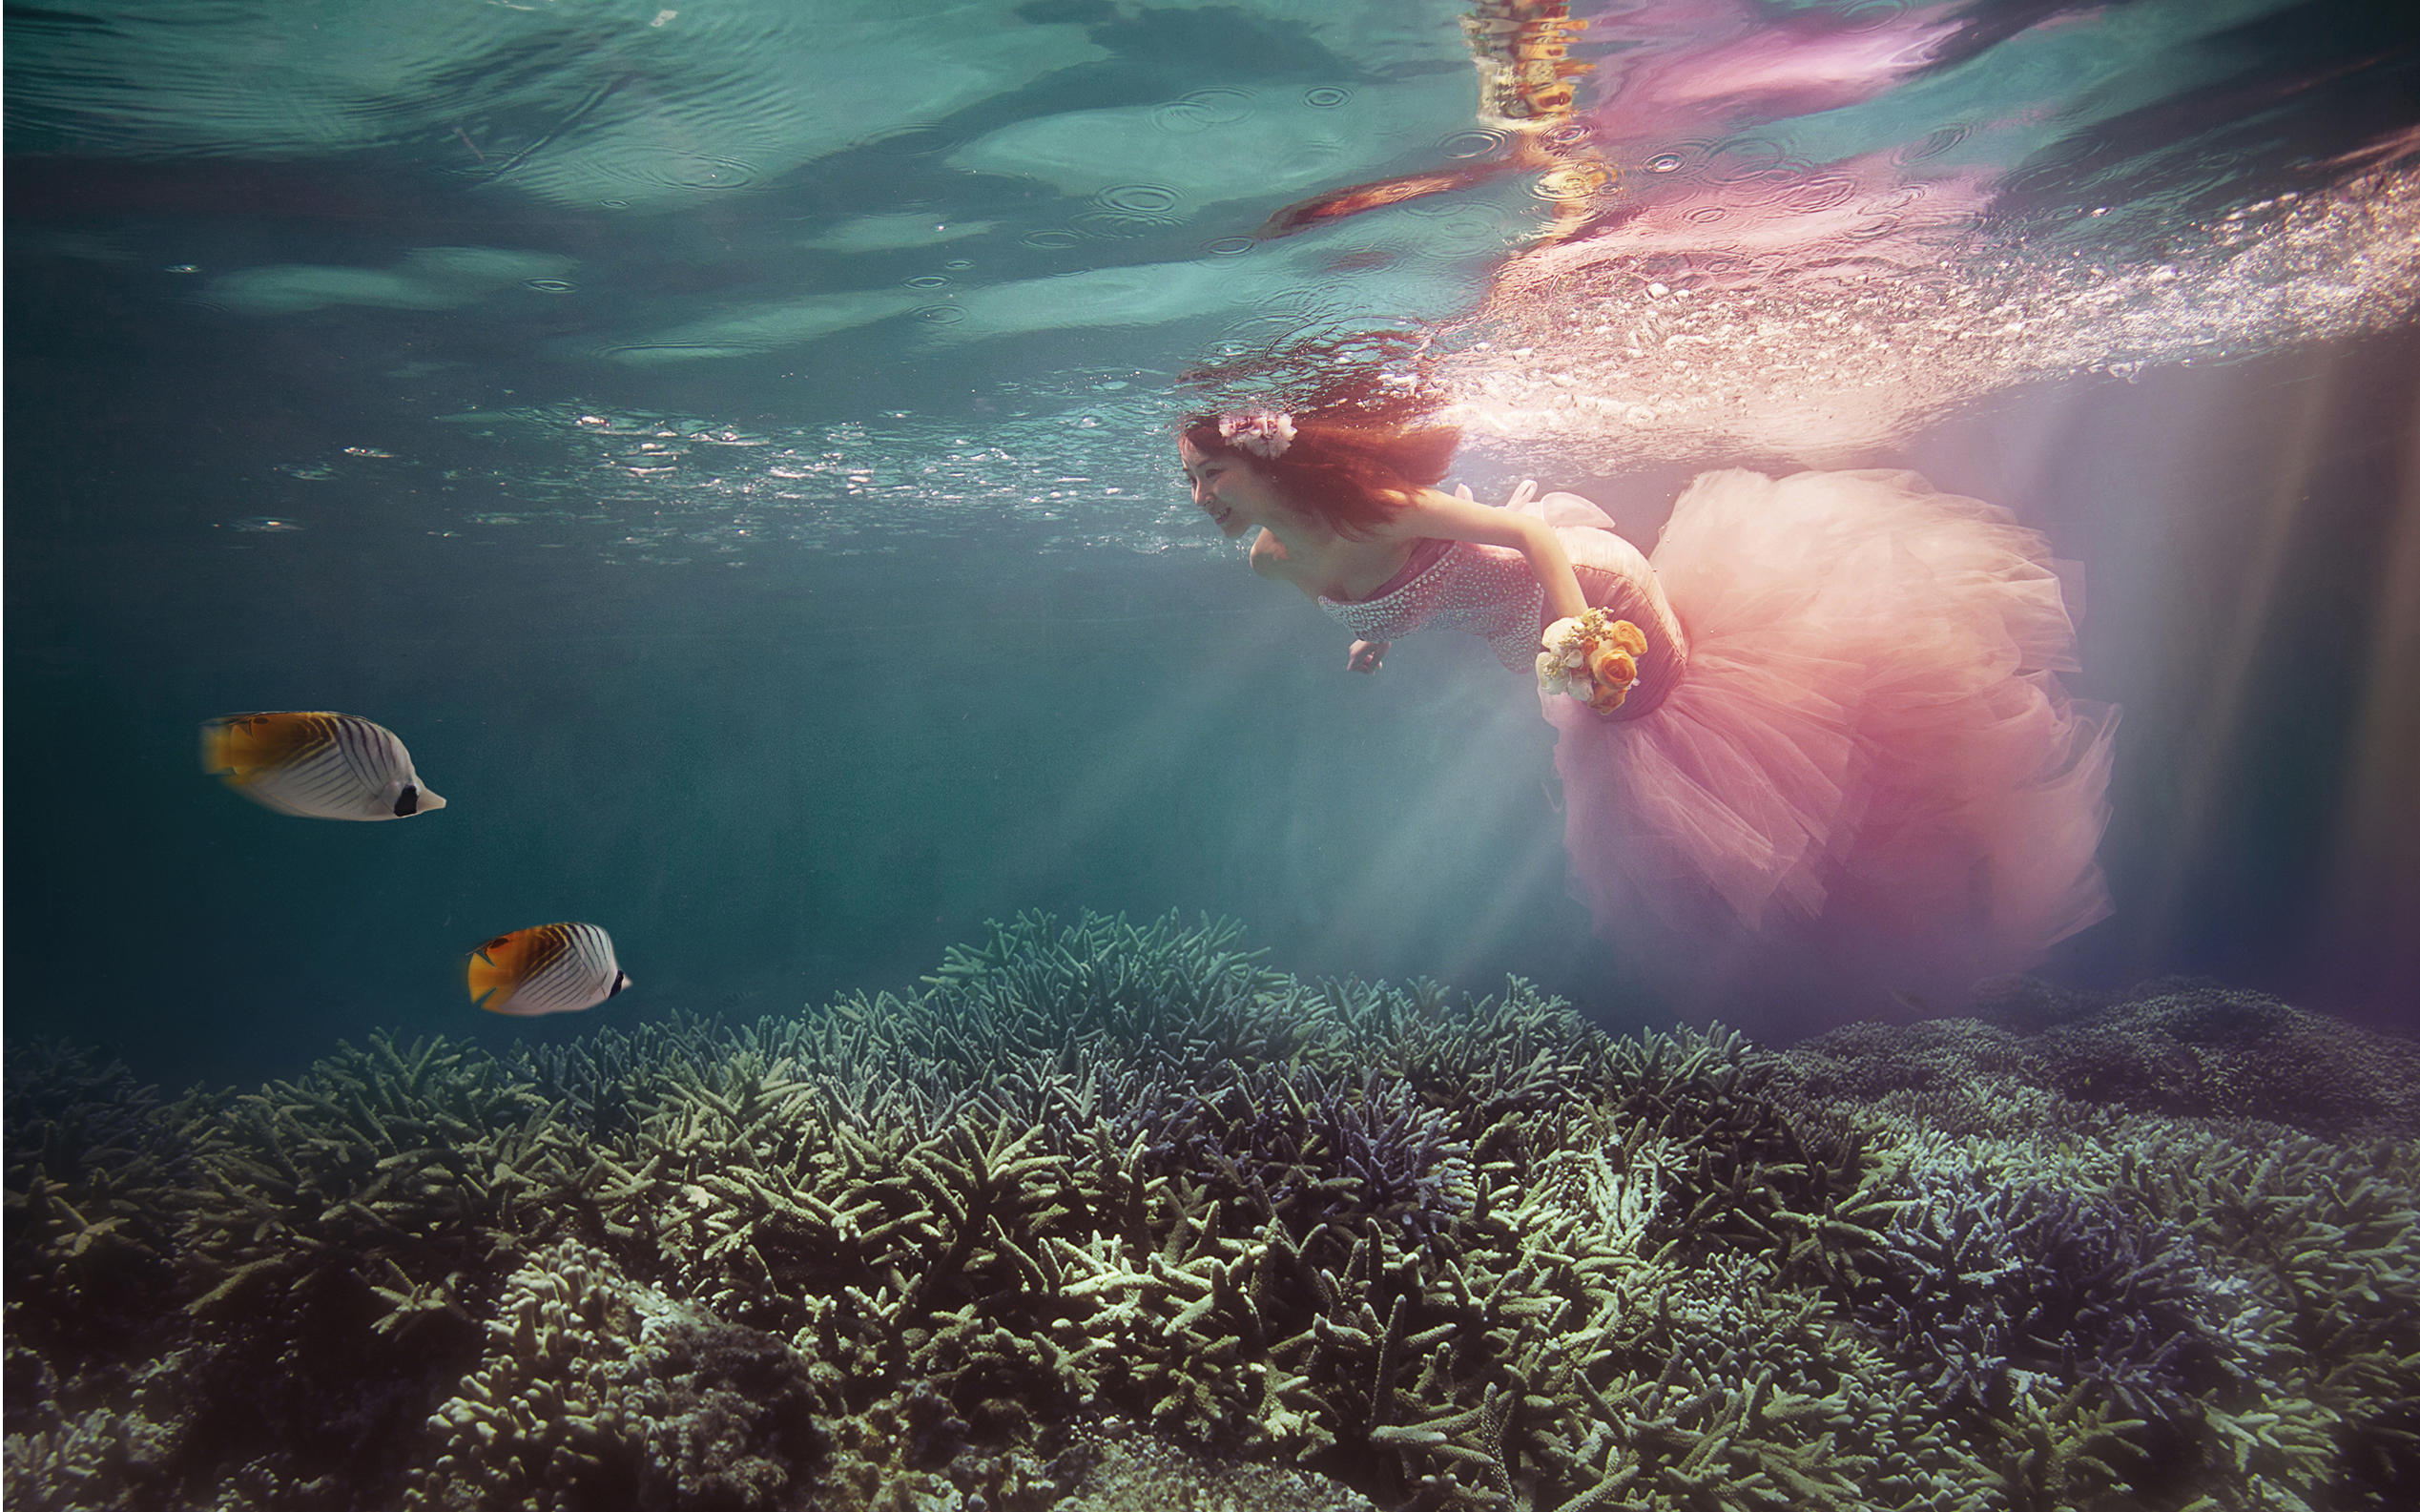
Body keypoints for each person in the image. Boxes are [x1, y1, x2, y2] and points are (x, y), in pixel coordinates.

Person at [1179, 393, 2120, 1027]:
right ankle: (1875, 917)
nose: (1198, 496)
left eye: (1210, 474)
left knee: (1690, 759)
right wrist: (1374, 636)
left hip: (1591, 594)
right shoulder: (1274, 559)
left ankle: (1932, 864)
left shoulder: (1375, 506)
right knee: (1693, 788)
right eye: (1189, 480)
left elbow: (1528, 531)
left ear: (1267, 464)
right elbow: (1392, 591)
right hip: (1539, 643)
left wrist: (1581, 631)